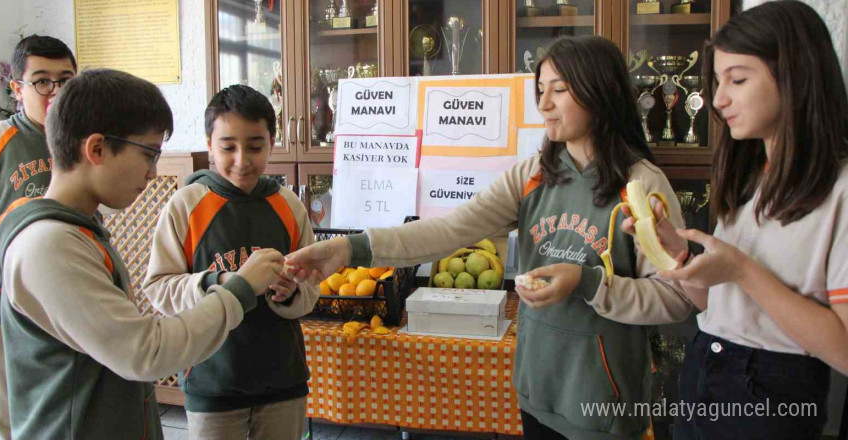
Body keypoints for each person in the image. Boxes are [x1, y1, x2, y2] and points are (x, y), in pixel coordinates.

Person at [287, 35, 695, 440]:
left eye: (559, 90)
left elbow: (678, 298)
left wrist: (588, 283)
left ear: (600, 92)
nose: (544, 104)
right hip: (537, 393)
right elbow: (448, 231)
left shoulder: (640, 184)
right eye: (540, 91)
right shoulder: (533, 175)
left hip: (603, 405)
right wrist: (349, 247)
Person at [0, 69, 286, 440]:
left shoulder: (77, 231)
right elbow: (146, 352)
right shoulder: (48, 245)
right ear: (97, 149)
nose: (154, 172)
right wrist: (239, 288)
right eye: (148, 154)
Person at [618, 2, 848, 438]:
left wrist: (742, 270)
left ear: (795, 77)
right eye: (717, 81)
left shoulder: (840, 191)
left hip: (772, 396)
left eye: (737, 79)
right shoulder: (748, 179)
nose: (719, 100)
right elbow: (713, 306)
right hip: (704, 369)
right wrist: (674, 254)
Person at [143, 84, 319, 440]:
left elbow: (311, 287)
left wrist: (289, 294)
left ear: (272, 142)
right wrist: (218, 284)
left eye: (255, 146)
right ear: (210, 145)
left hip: (282, 380)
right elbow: (158, 287)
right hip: (211, 382)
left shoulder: (288, 205)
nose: (242, 160)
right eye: (228, 147)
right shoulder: (185, 205)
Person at [0, 34, 76, 440]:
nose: (55, 92)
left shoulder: (83, 142)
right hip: (3, 304)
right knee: (11, 420)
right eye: (42, 81)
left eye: (65, 80)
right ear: (17, 88)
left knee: (64, 412)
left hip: (68, 301)